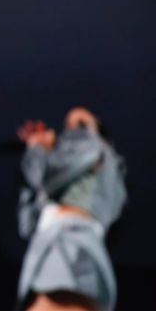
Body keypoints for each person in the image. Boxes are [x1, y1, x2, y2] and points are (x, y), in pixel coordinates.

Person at [16, 107, 127, 311]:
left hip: (72, 242)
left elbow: (43, 179)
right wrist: (40, 150)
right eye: (69, 126)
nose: (73, 132)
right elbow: (26, 225)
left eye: (81, 124)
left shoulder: (97, 148)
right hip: (47, 243)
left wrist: (38, 148)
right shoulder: (66, 178)